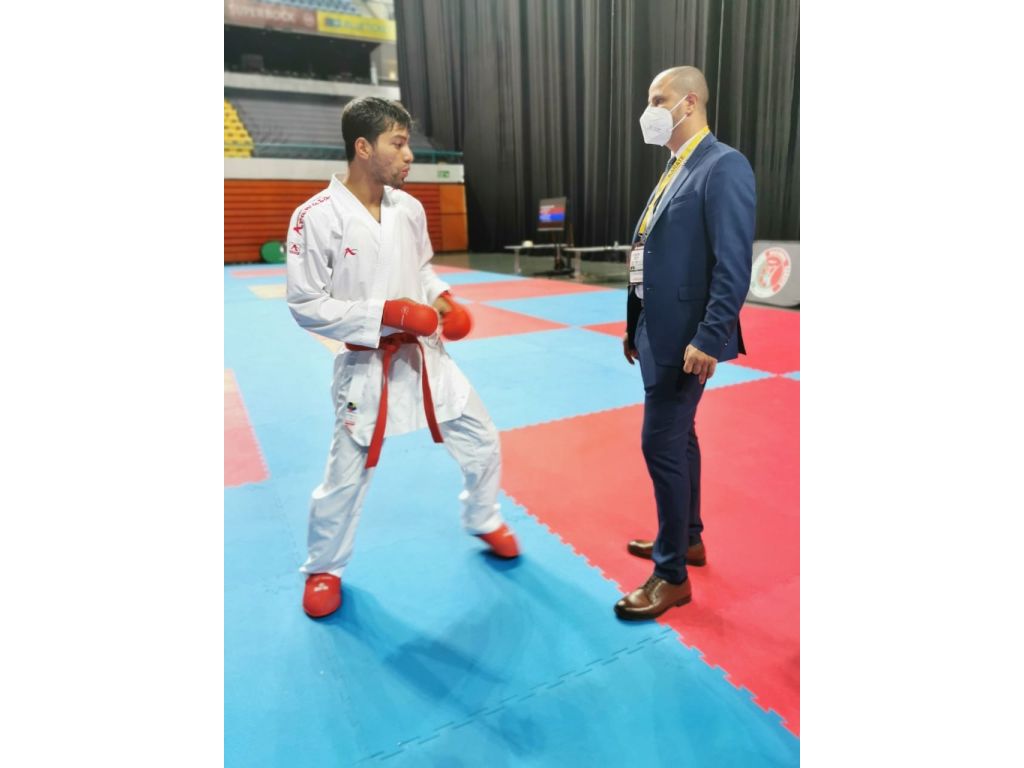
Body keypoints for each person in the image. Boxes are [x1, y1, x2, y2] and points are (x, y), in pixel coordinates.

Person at [285, 96, 520, 619]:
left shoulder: (409, 209)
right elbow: (305, 304)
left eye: (408, 142)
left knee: (483, 439)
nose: (409, 154)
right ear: (363, 148)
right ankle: (325, 567)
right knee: (345, 475)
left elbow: (423, 269)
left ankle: (482, 517)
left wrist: (443, 301)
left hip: (425, 356)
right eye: (398, 143)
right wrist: (387, 314)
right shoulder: (315, 217)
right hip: (366, 365)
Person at [615, 66, 755, 621]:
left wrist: (710, 336)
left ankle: (671, 573)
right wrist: (635, 325)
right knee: (681, 437)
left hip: (688, 341)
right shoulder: (676, 167)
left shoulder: (723, 165)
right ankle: (688, 537)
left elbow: (733, 263)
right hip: (657, 331)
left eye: (659, 99)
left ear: (689, 102)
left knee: (660, 444)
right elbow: (649, 253)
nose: (649, 110)